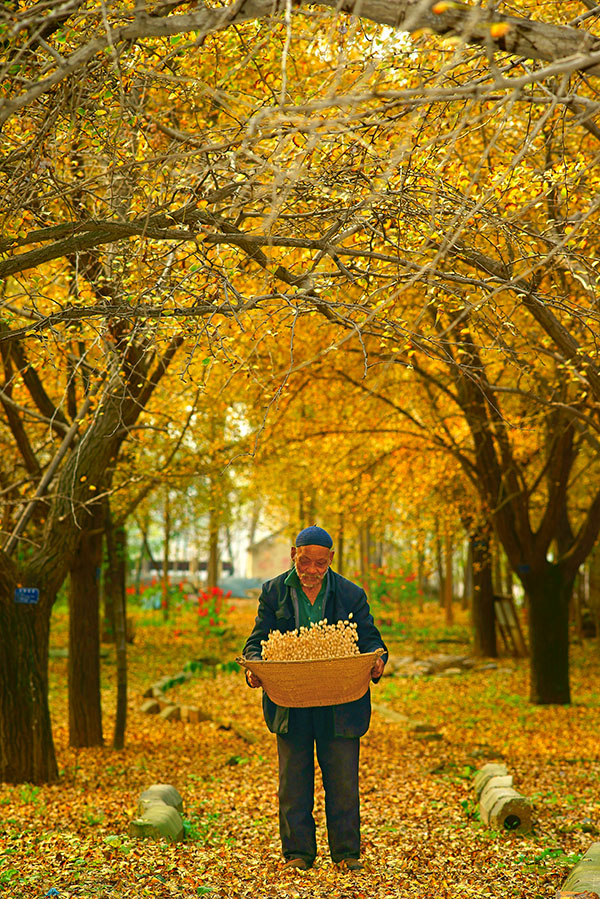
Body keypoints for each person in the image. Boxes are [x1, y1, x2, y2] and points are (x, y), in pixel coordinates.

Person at [242, 525, 387, 872]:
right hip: (291, 702)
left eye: (320, 564)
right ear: (294, 554)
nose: (311, 570)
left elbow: (370, 639)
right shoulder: (274, 591)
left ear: (331, 560)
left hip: (340, 703)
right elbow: (256, 641)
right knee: (293, 782)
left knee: (343, 781)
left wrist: (377, 660)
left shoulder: (351, 594)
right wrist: (254, 668)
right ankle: (298, 854)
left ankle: (347, 854)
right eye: (305, 561)